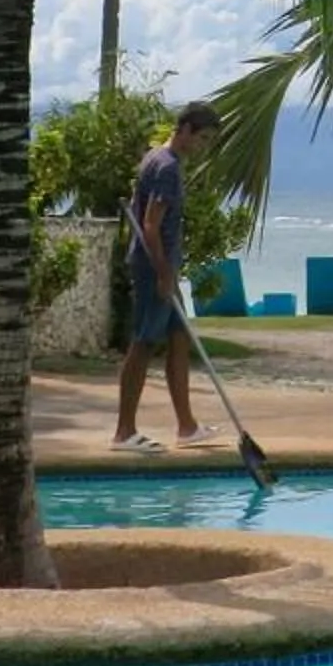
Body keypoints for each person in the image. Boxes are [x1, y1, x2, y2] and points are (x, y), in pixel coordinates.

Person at [114, 101, 221, 451]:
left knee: (179, 338)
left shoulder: (159, 159)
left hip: (164, 267)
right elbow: (150, 226)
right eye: (202, 138)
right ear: (186, 129)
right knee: (143, 342)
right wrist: (162, 274)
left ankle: (187, 427)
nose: (203, 148)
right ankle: (124, 433)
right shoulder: (166, 168)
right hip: (152, 268)